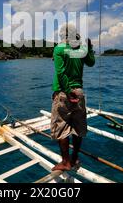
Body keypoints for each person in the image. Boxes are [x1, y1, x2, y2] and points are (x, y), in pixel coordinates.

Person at [51, 23, 95, 171]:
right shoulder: (81, 50)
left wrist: (68, 91)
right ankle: (75, 158)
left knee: (62, 126)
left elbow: (61, 73)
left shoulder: (59, 49)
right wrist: (89, 48)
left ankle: (65, 162)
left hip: (64, 93)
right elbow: (91, 62)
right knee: (78, 127)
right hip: (79, 93)